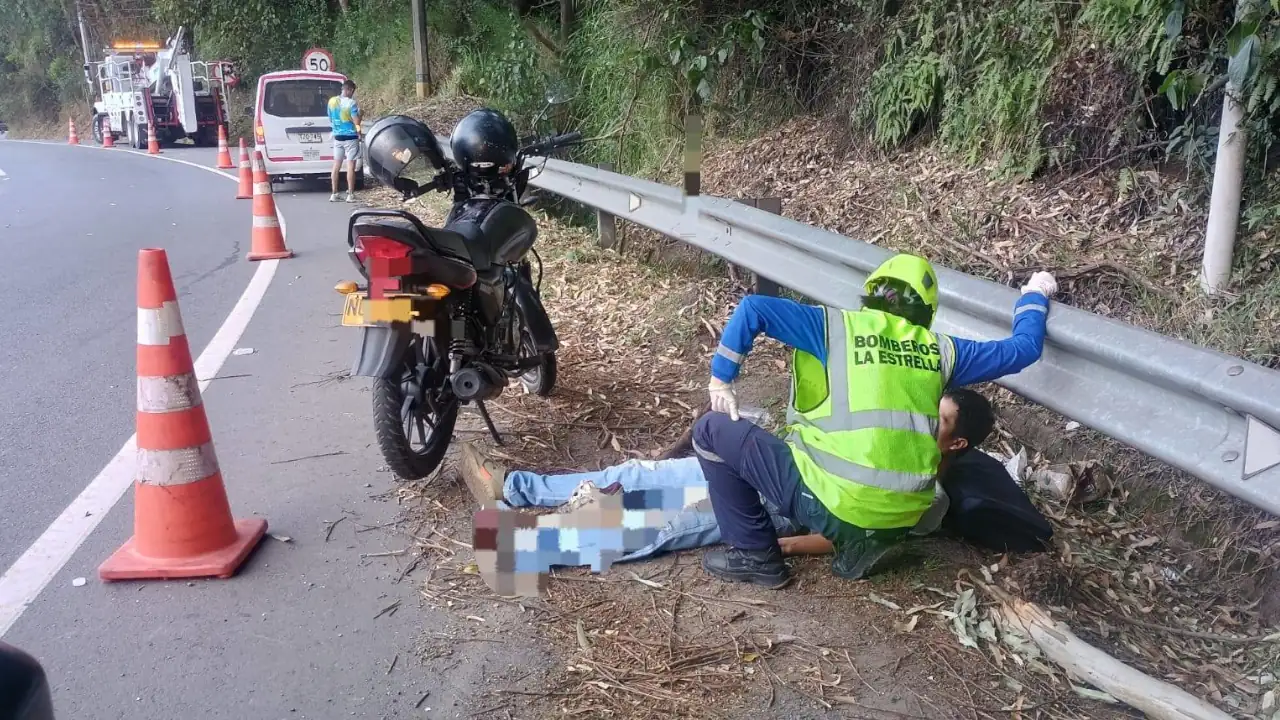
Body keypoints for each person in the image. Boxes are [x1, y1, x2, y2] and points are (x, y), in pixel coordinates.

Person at [694, 253, 1058, 587]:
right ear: (928, 309)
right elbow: (1023, 349)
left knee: (710, 429)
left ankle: (756, 556)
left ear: (871, 291)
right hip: (905, 517)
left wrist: (721, 378)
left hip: (836, 502)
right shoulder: (942, 350)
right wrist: (1035, 294)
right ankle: (863, 542)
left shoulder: (835, 327)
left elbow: (755, 308)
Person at [460, 390, 1008, 564]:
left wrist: (786, 545)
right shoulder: (889, 436)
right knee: (636, 473)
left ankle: (517, 545)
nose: (919, 419)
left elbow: (861, 534)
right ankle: (515, 487)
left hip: (778, 506)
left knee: (655, 522)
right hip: (762, 464)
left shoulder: (928, 496)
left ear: (955, 442)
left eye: (937, 421)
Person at [327, 79, 362, 203]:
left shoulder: (331, 102)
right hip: (350, 137)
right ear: (350, 90)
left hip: (337, 137)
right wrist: (359, 132)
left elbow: (330, 119)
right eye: (352, 91)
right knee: (350, 165)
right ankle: (350, 194)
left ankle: (334, 193)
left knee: (336, 165)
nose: (352, 94)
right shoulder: (351, 103)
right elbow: (356, 121)